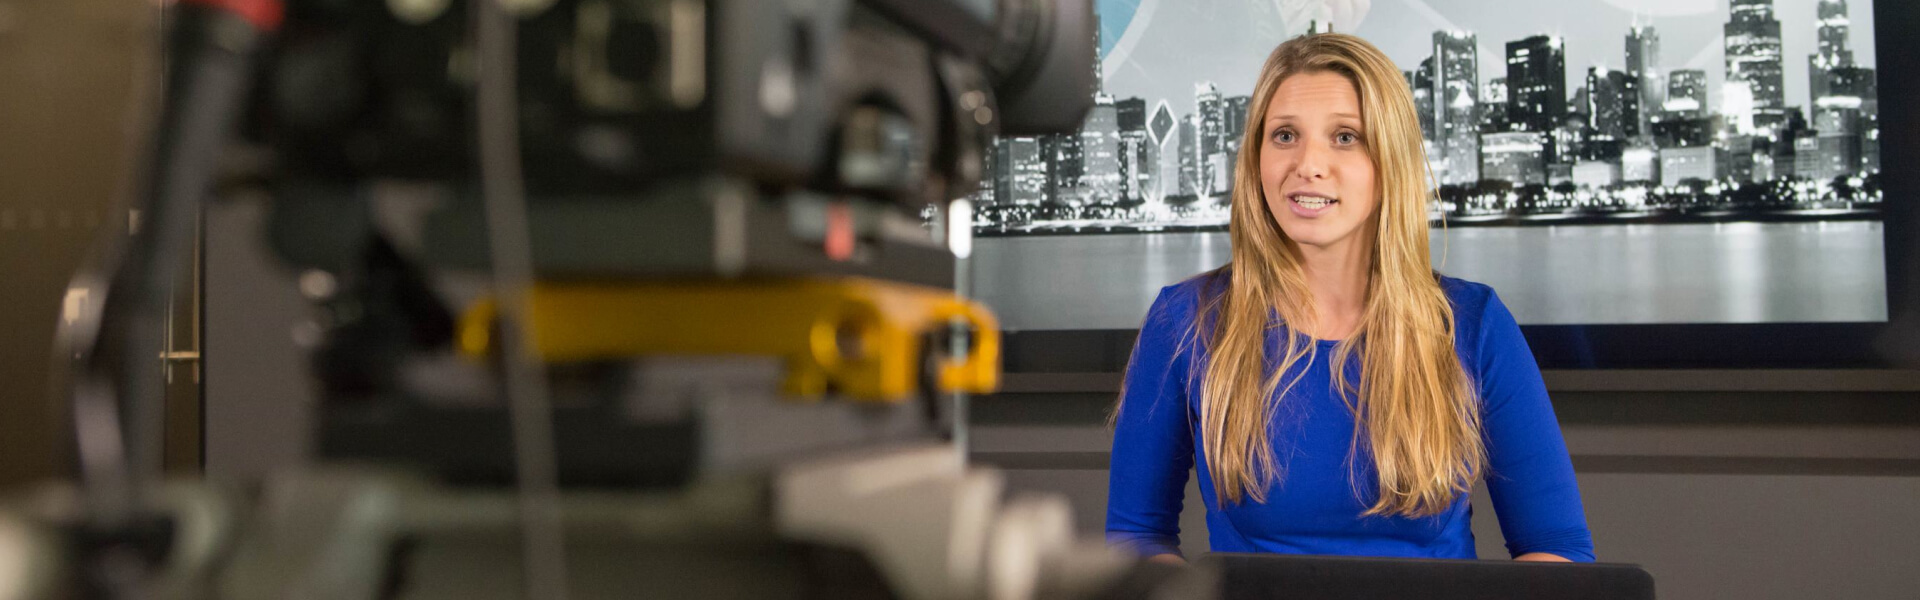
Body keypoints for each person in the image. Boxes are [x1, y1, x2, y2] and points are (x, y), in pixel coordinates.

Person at [1104, 33, 1593, 564]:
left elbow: (1556, 550)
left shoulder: (1472, 325)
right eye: (1285, 135)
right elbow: (1137, 539)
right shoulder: (1184, 321)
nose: (1308, 163)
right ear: (1256, 159)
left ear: (1389, 163)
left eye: (1344, 137)